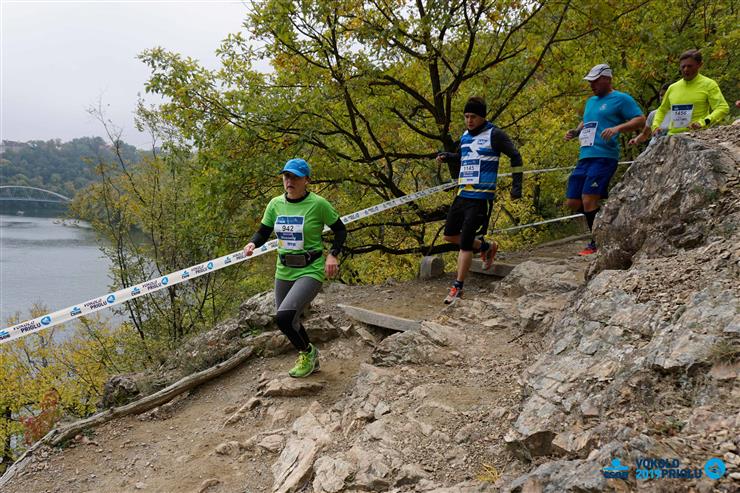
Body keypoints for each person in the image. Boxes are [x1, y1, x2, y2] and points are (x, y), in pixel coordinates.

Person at [243, 158, 346, 378]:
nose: (289, 181)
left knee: (284, 317)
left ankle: (307, 353)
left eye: (295, 177)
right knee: (288, 320)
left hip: (310, 269)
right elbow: (263, 231)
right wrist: (252, 243)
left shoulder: (319, 204)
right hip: (284, 269)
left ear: (306, 180)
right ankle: (310, 356)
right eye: (286, 176)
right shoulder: (275, 204)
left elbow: (340, 230)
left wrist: (333, 255)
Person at [436, 96, 523, 304]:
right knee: (449, 235)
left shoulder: (495, 134)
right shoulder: (465, 136)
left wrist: (516, 186)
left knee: (465, 244)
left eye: (473, 116)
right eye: (466, 116)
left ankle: (458, 287)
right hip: (462, 194)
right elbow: (463, 156)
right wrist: (447, 156)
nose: (469, 120)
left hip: (480, 198)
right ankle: (486, 247)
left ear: (483, 116)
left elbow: (516, 156)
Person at [564, 64, 645, 255]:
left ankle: (596, 242)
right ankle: (606, 220)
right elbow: (588, 120)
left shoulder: (621, 99)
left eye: (595, 81)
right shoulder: (591, 101)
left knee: (588, 199)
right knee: (572, 202)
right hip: (585, 156)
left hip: (604, 156)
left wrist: (617, 129)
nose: (591, 85)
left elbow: (640, 119)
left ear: (607, 79)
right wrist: (576, 131)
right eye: (590, 81)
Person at [652, 49, 729, 136]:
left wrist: (703, 122)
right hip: (673, 136)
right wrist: (655, 126)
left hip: (697, 135)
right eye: (683, 66)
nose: (686, 69)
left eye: (690, 66)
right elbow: (662, 110)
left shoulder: (709, 84)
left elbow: (722, 107)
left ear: (699, 65)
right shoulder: (673, 87)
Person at [629, 83, 671, 147]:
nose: (662, 98)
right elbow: (645, 134)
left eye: (665, 95)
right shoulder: (653, 114)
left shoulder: (678, 114)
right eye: (661, 95)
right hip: (653, 149)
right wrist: (636, 140)